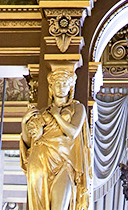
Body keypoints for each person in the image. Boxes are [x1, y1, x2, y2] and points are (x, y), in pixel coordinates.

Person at [20, 67, 90, 210]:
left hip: (64, 161)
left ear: (70, 86)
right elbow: (29, 143)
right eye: (57, 84)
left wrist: (57, 115)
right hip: (39, 160)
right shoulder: (41, 113)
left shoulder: (77, 108)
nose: (60, 87)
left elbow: (73, 132)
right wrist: (23, 123)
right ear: (51, 87)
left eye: (64, 83)